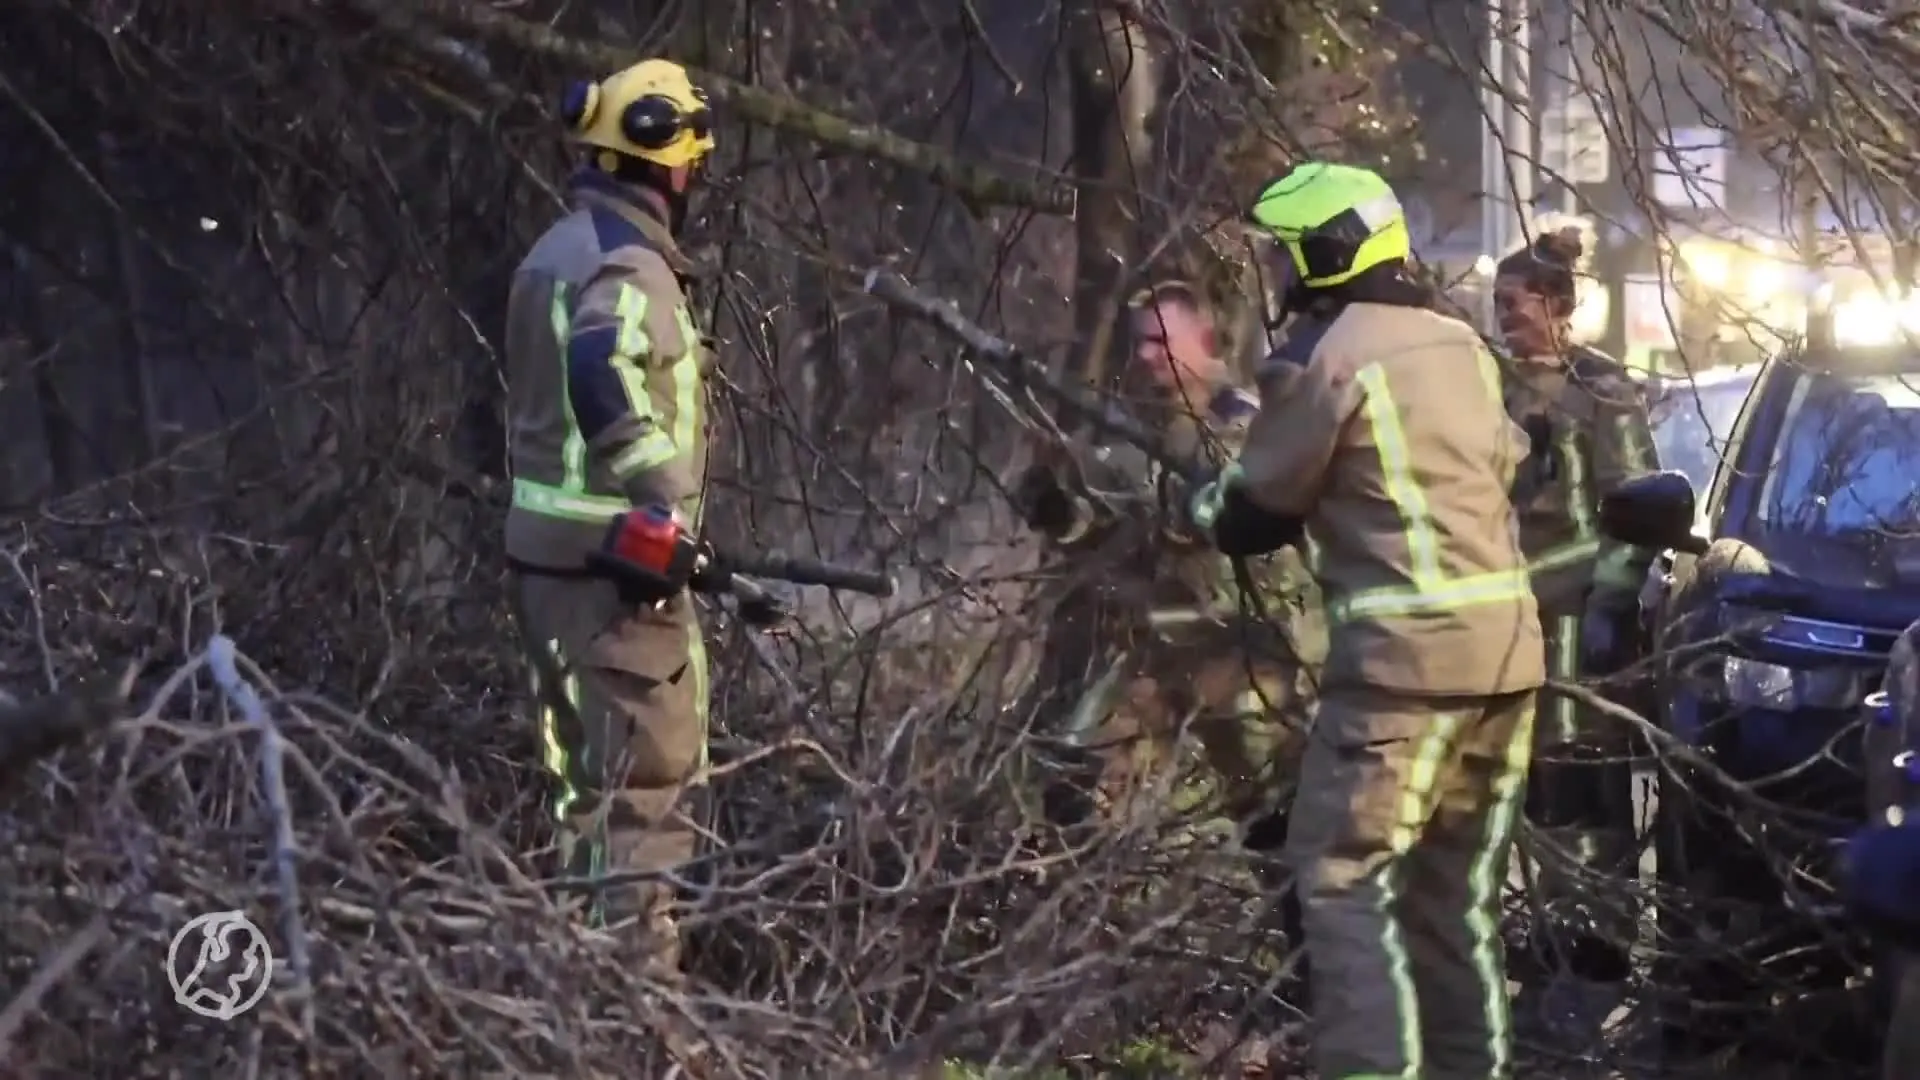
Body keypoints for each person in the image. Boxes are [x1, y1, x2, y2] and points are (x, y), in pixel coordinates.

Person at [1190, 160, 1545, 1080]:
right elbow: (1502, 461)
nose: (1280, 274)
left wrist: (1201, 493)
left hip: (1403, 671)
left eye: (1288, 253)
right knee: (1450, 902)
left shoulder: (1326, 356)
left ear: (1328, 251)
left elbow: (1254, 513)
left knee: (1342, 880)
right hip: (1507, 660)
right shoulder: (1458, 343)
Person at [501, 58, 716, 965]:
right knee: (640, 805)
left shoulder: (553, 252)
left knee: (580, 805)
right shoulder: (630, 266)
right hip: (615, 585)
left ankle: (572, 1013)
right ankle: (637, 1027)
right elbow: (600, 359)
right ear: (668, 166)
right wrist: (657, 501)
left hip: (548, 575)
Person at [1010, 280, 1323, 847]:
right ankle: (1079, 913)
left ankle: (1305, 922)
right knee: (1075, 778)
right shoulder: (1145, 431)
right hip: (1165, 650)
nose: (1147, 355)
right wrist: (1059, 507)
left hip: (1250, 652)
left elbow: (1218, 522)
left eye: (1160, 340)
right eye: (1141, 344)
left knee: (1271, 815)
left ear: (1206, 337)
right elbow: (1110, 532)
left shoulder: (1248, 424)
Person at [1494, 227, 1657, 995]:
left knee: (1589, 782)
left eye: (1513, 303)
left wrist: (1610, 604)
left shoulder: (1605, 392)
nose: (1503, 318)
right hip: (1507, 619)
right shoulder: (1488, 389)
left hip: (1581, 617)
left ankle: (1604, 937)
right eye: (1495, 305)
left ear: (1556, 306)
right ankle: (1556, 926)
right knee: (1535, 786)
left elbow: (1635, 512)